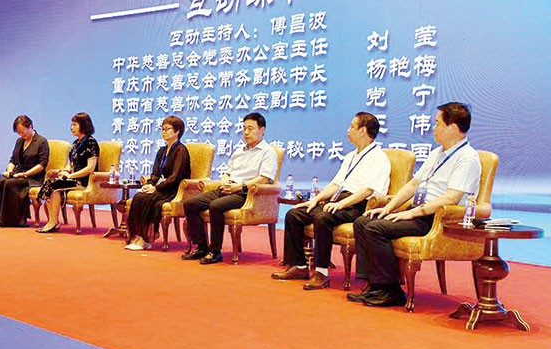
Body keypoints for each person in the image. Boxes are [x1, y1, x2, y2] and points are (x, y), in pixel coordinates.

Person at [349, 102, 481, 307]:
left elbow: (451, 198)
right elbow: (413, 185)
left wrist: (412, 213)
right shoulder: (438, 153)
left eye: (438, 123)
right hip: (420, 212)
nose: (433, 127)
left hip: (437, 219)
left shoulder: (467, 158)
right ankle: (373, 286)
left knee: (376, 228)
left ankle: (391, 290)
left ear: (453, 128)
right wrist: (388, 208)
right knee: (363, 221)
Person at [271, 112, 390, 290]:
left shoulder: (378, 158)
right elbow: (335, 184)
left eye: (352, 126)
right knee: (294, 214)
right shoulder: (351, 156)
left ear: (363, 130)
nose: (348, 130)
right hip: (339, 200)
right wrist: (315, 200)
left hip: (359, 205)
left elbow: (367, 190)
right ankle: (298, 266)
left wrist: (341, 204)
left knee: (323, 218)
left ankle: (321, 272)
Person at [182, 112, 278, 265]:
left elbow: (264, 178)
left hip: (246, 193)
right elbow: (228, 172)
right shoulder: (239, 151)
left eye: (250, 128)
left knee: (216, 206)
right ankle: (201, 247)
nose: (246, 132)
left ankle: (215, 251)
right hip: (229, 188)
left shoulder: (268, 152)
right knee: (190, 204)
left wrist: (239, 187)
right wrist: (225, 182)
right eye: (244, 128)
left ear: (262, 130)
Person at [125, 116, 191, 250]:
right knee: (139, 196)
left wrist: (156, 188)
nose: (164, 132)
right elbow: (155, 173)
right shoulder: (162, 151)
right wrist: (149, 184)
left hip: (173, 189)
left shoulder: (181, 151)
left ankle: (145, 238)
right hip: (161, 188)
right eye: (162, 129)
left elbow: (175, 177)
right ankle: (139, 236)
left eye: (167, 129)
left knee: (148, 199)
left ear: (177, 131)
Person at [35, 113, 99, 233]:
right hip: (72, 178)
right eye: (72, 125)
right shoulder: (75, 143)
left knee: (54, 185)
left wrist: (71, 175)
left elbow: (90, 168)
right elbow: (71, 163)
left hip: (84, 180)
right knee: (50, 183)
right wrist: (65, 171)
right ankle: (53, 220)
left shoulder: (91, 143)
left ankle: (53, 222)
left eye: (75, 125)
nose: (71, 128)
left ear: (83, 125)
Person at [0, 115, 50, 227]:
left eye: (22, 131)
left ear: (30, 126)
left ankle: (13, 220)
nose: (21, 134)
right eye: (18, 132)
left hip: (33, 177)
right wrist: (10, 171)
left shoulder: (41, 142)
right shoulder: (19, 141)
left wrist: (24, 174)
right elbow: (13, 160)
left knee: (10, 184)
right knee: (1, 181)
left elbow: (42, 165)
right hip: (19, 174)